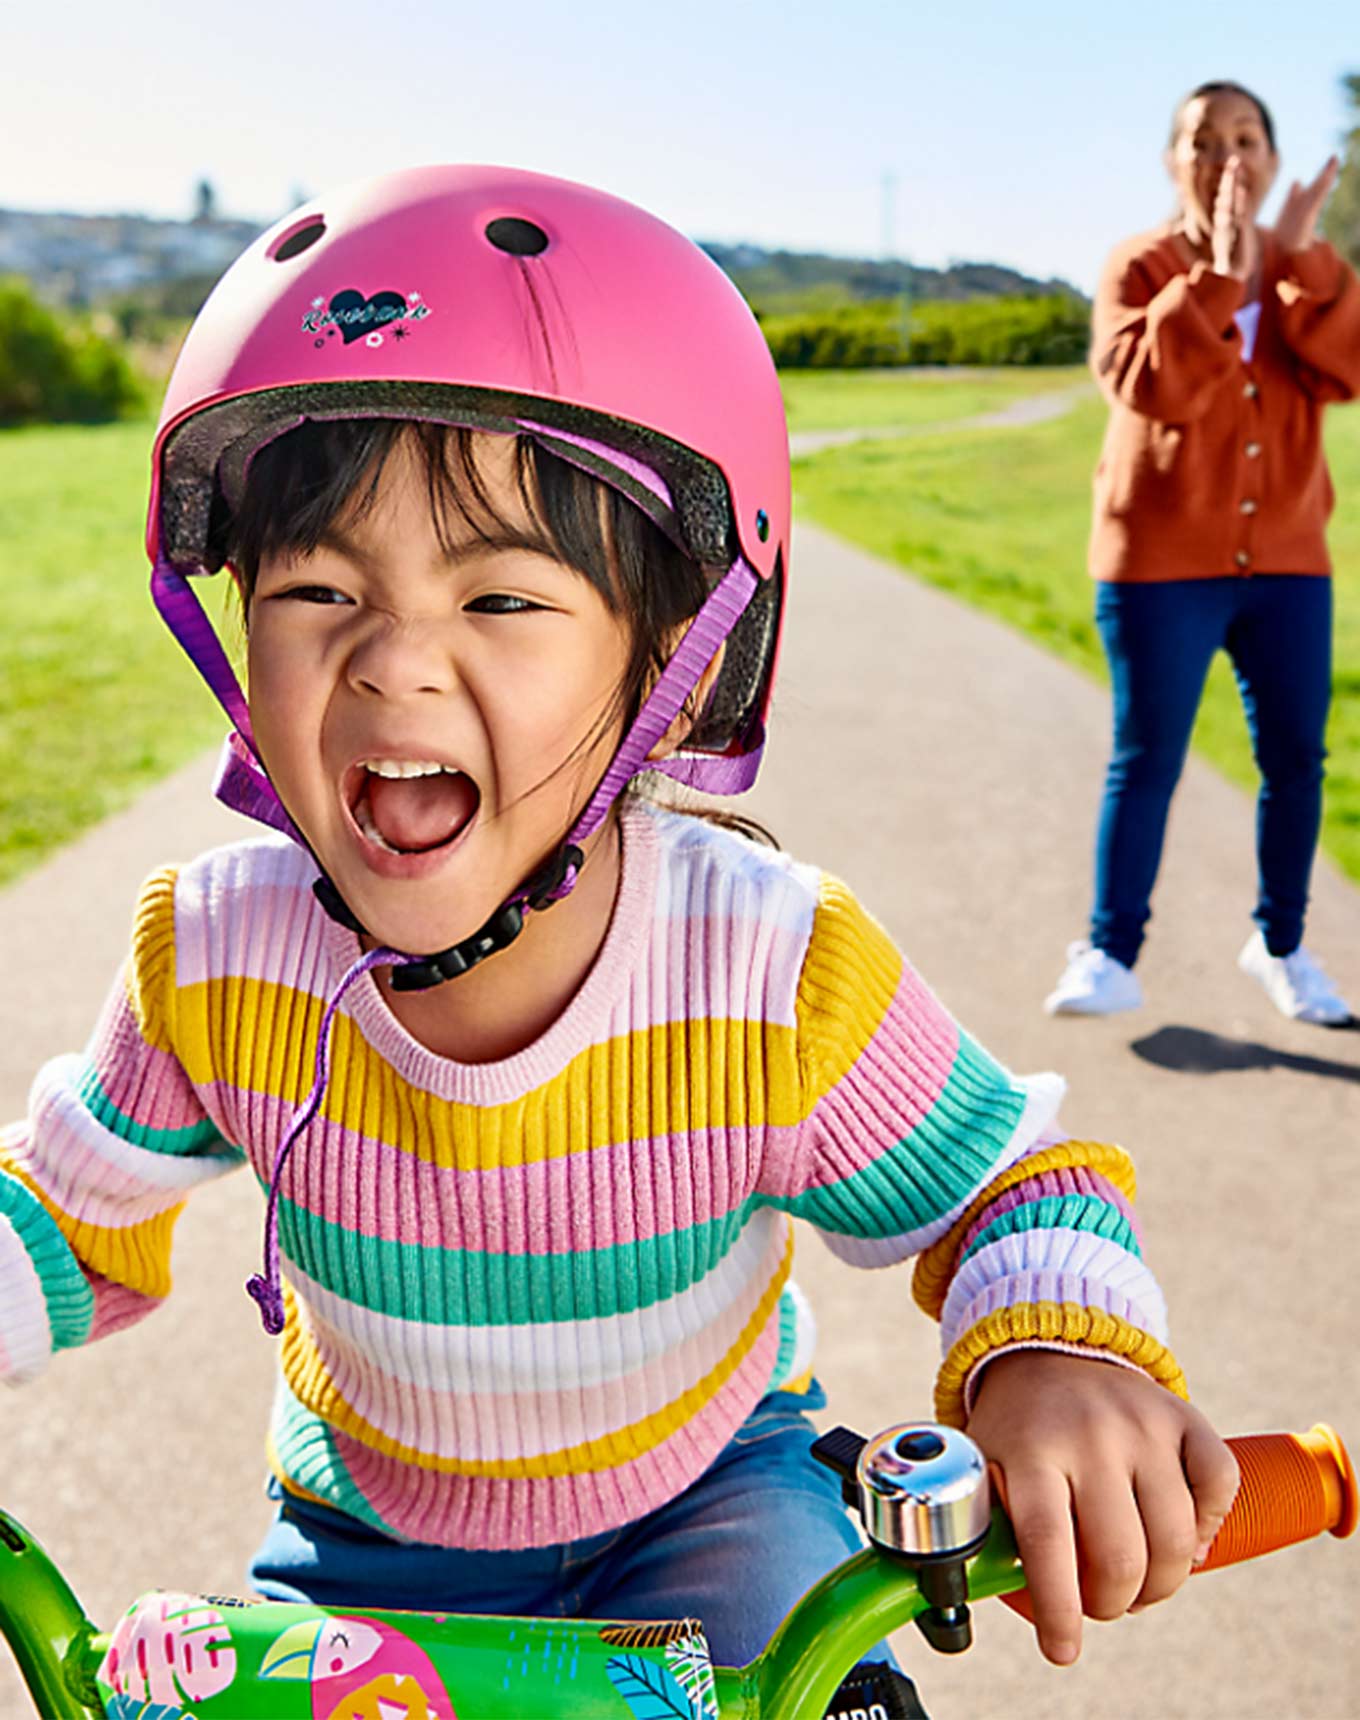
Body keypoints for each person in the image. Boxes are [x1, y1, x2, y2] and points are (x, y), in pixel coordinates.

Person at [0, 166, 1237, 1713]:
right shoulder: (214, 956)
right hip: (366, 1538)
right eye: (316, 588)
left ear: (675, 660)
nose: (393, 667)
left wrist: (1056, 1355)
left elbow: (1010, 1187)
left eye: (505, 598)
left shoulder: (763, 968)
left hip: (705, 1503)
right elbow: (61, 1209)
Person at [1046, 81, 1360, 1025]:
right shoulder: (1138, 265)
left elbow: (1346, 368)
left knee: (1297, 760)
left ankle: (1283, 942)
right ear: (1171, 160)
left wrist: (1300, 259)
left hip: (1290, 562)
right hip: (1161, 567)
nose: (1227, 158)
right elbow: (1148, 387)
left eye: (1245, 138)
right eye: (1203, 140)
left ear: (1271, 158)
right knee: (1147, 758)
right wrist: (1219, 277)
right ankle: (1109, 951)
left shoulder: (1306, 266)